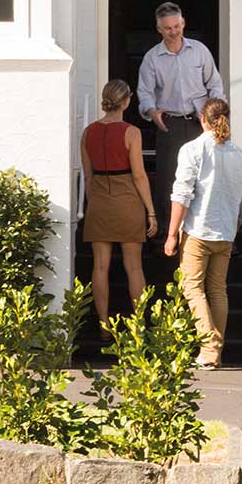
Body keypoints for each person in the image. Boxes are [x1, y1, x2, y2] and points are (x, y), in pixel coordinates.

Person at [164, 98, 242, 368]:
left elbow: (182, 194)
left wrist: (172, 233)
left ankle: (209, 349)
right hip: (225, 231)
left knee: (192, 288)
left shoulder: (193, 149)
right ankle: (215, 354)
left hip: (199, 229)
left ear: (202, 119)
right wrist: (240, 222)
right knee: (217, 290)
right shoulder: (238, 154)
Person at [137, 2, 224, 228]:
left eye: (177, 26)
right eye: (168, 28)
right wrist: (152, 113)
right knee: (169, 180)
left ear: (183, 23)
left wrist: (214, 115)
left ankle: (207, 229)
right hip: (170, 124)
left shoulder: (200, 51)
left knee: (207, 176)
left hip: (201, 123)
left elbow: (215, 84)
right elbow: (144, 93)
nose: (173, 32)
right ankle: (167, 234)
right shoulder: (152, 58)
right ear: (159, 29)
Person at [80, 80, 157, 333]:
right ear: (126, 101)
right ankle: (139, 326)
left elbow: (88, 177)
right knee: (133, 266)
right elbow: (139, 176)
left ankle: (103, 326)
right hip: (127, 199)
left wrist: (93, 204)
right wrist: (151, 211)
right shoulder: (131, 132)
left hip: (99, 198)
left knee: (99, 266)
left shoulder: (87, 132)